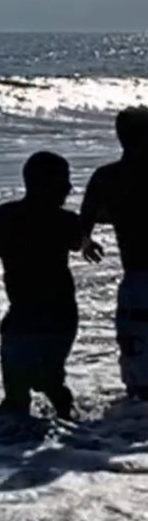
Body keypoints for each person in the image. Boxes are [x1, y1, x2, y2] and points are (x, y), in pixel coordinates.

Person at [0, 151, 83, 419]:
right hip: (21, 314)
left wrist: (87, 242)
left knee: (47, 381)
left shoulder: (65, 220)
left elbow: (79, 239)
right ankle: (10, 447)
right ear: (39, 183)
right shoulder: (6, 217)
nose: (70, 188)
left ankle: (69, 423)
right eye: (63, 181)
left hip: (59, 316)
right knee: (16, 392)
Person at [81, 106, 148, 400]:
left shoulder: (108, 177)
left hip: (137, 279)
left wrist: (87, 242)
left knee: (138, 364)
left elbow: (83, 226)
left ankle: (129, 428)